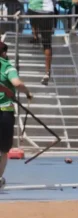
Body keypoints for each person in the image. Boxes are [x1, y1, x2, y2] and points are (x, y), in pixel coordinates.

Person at [0, 42, 32, 189]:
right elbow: (17, 83)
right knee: (4, 149)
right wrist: (27, 93)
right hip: (5, 111)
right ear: (4, 53)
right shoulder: (7, 66)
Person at [28, 0, 60, 85]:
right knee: (47, 44)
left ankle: (35, 36)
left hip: (33, 9)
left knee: (30, 11)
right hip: (47, 11)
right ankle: (47, 72)